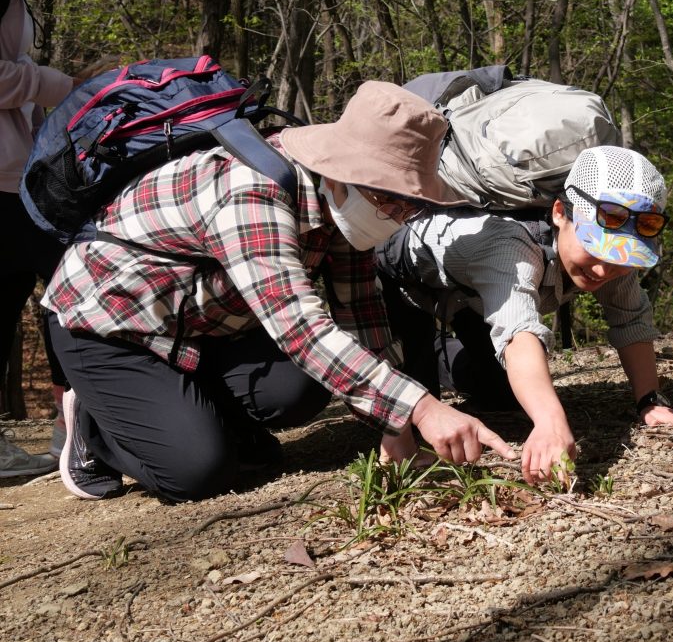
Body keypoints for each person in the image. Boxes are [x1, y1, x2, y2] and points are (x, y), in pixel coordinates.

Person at [41, 80, 515, 502]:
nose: (395, 213)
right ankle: (97, 424)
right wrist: (423, 408)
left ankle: (189, 416)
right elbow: (300, 328)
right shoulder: (251, 190)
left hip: (201, 327)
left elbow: (362, 317)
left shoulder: (345, 207)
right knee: (198, 472)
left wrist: (393, 426)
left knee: (303, 388)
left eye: (408, 202)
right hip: (109, 323)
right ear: (341, 169)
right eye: (386, 196)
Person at [376, 146, 673, 486]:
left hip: (471, 294)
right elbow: (518, 331)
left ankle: (443, 358)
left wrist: (650, 401)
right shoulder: (509, 249)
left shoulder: (613, 259)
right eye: (594, 247)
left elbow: (629, 319)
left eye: (618, 256)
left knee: (502, 394)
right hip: (401, 278)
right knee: (413, 414)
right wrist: (551, 422)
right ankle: (416, 365)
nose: (603, 268)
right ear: (559, 213)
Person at [0, 0, 75, 477]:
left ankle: (75, 423)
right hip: (5, 175)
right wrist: (55, 84)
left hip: (20, 170)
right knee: (66, 287)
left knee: (64, 288)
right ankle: (76, 425)